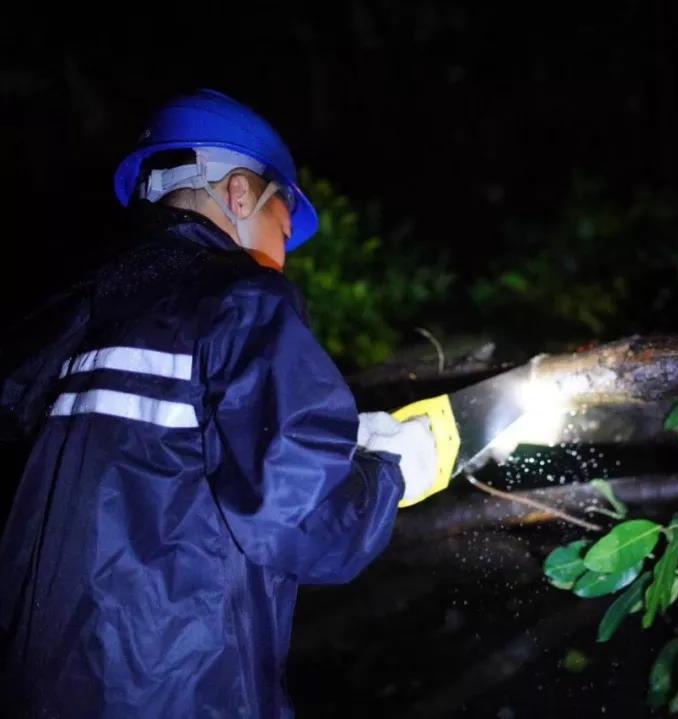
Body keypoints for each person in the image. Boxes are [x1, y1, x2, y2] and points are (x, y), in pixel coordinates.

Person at [0, 88, 438, 717]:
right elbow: (305, 523)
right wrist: (388, 474)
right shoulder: (244, 301)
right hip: (184, 692)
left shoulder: (68, 320)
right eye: (282, 228)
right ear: (239, 194)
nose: (283, 257)